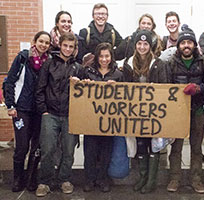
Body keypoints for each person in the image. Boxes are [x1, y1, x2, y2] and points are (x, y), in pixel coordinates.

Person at [166, 27, 204, 193]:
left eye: (189, 42)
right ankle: (174, 179)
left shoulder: (203, 62)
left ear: (194, 45)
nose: (186, 45)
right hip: (177, 113)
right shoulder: (170, 63)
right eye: (183, 42)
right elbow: (165, 87)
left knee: (196, 148)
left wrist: (198, 88)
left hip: (197, 111)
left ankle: (196, 180)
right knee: (176, 147)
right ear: (179, 45)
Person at [35, 32, 82, 197]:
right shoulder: (48, 64)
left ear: (74, 48)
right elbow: (40, 89)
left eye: (71, 46)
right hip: (51, 114)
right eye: (65, 45)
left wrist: (84, 83)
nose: (68, 49)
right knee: (48, 149)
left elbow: (86, 91)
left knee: (68, 150)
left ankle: (64, 180)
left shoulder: (78, 67)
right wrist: (43, 111)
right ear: (60, 46)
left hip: (70, 116)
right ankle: (45, 182)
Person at [4, 31, 51, 192]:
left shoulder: (48, 61)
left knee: (36, 147)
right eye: (41, 41)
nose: (44, 45)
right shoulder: (23, 57)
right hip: (21, 109)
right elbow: (9, 81)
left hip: (39, 111)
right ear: (35, 41)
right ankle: (18, 179)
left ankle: (31, 178)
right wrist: (10, 105)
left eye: (47, 43)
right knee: (22, 147)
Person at [122, 30, 168, 194]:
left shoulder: (158, 63)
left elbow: (164, 86)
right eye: (139, 44)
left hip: (154, 112)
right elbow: (124, 87)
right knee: (141, 143)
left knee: (154, 145)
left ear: (150, 46)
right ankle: (143, 176)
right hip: (137, 113)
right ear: (135, 45)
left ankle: (151, 180)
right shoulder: (128, 63)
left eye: (145, 44)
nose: (142, 47)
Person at [77, 43, 123, 193]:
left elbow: (125, 97)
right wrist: (85, 84)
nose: (104, 59)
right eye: (101, 56)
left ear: (111, 57)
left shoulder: (118, 74)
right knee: (89, 152)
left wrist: (117, 87)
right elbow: (79, 93)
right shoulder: (87, 71)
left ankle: (103, 179)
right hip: (91, 120)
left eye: (107, 56)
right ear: (97, 57)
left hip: (109, 121)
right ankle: (89, 180)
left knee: (106, 152)